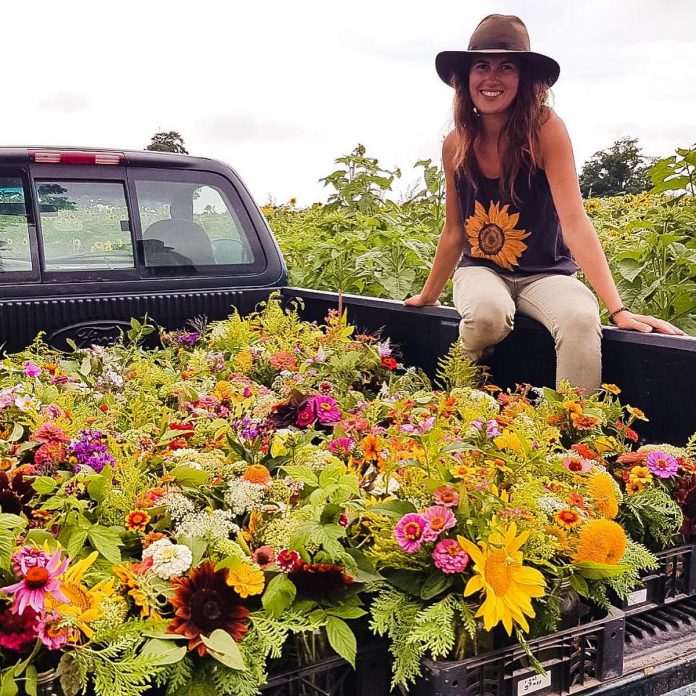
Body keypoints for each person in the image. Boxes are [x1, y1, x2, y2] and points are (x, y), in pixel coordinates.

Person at [404, 14, 684, 392]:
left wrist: (618, 310)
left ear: (524, 79)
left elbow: (575, 222)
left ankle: (573, 429)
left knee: (580, 320)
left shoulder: (545, 130)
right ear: (466, 78)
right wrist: (428, 296)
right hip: (482, 270)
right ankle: (456, 406)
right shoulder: (456, 143)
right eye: (481, 66)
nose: (491, 78)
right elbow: (454, 230)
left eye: (506, 67)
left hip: (547, 273)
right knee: (486, 315)